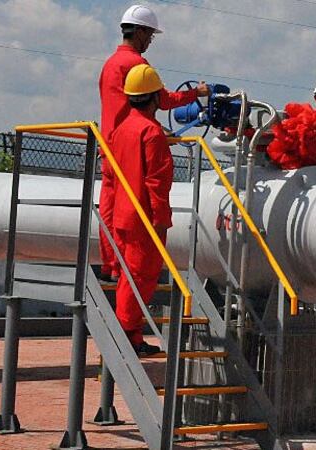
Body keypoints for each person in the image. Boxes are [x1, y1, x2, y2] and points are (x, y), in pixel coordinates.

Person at [98, 4, 210, 282]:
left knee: (110, 208)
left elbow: (124, 107)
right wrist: (197, 93)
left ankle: (112, 265)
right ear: (139, 32)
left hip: (111, 145)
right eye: (149, 35)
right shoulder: (136, 65)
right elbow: (164, 100)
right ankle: (130, 270)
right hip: (134, 148)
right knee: (134, 211)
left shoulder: (110, 64)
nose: (150, 41)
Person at [111, 64, 174, 355]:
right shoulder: (151, 132)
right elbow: (157, 182)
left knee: (129, 275)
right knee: (141, 278)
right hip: (145, 219)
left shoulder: (121, 129)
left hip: (123, 214)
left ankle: (132, 336)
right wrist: (161, 220)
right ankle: (125, 334)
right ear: (154, 98)